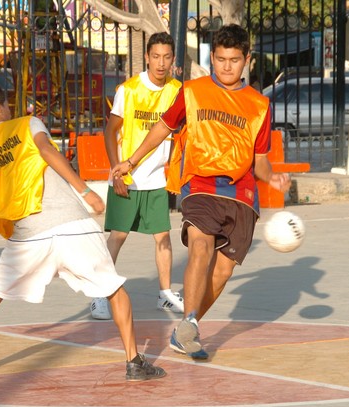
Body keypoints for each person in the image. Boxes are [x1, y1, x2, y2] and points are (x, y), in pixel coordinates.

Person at [0, 79, 166, 385]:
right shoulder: (27, 123)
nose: (9, 107)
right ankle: (133, 362)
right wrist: (86, 191)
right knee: (114, 290)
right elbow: (47, 151)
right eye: (6, 103)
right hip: (72, 225)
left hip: (28, 237)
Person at [111, 24, 291, 359]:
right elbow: (163, 127)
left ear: (246, 60)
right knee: (200, 246)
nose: (226, 66)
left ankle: (184, 330)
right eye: (220, 59)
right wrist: (131, 161)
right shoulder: (191, 92)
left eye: (234, 60)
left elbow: (260, 160)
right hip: (199, 184)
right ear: (212, 58)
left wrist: (272, 178)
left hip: (241, 195)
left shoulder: (259, 105)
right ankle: (191, 319)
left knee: (222, 271)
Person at [90, 32, 184, 320]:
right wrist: (116, 170)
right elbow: (110, 131)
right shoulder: (128, 90)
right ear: (146, 57)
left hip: (156, 177)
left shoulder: (178, 90)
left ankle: (166, 294)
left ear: (173, 60)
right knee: (118, 236)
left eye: (167, 57)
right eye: (156, 56)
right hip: (127, 176)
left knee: (163, 238)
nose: (161, 63)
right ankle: (99, 294)